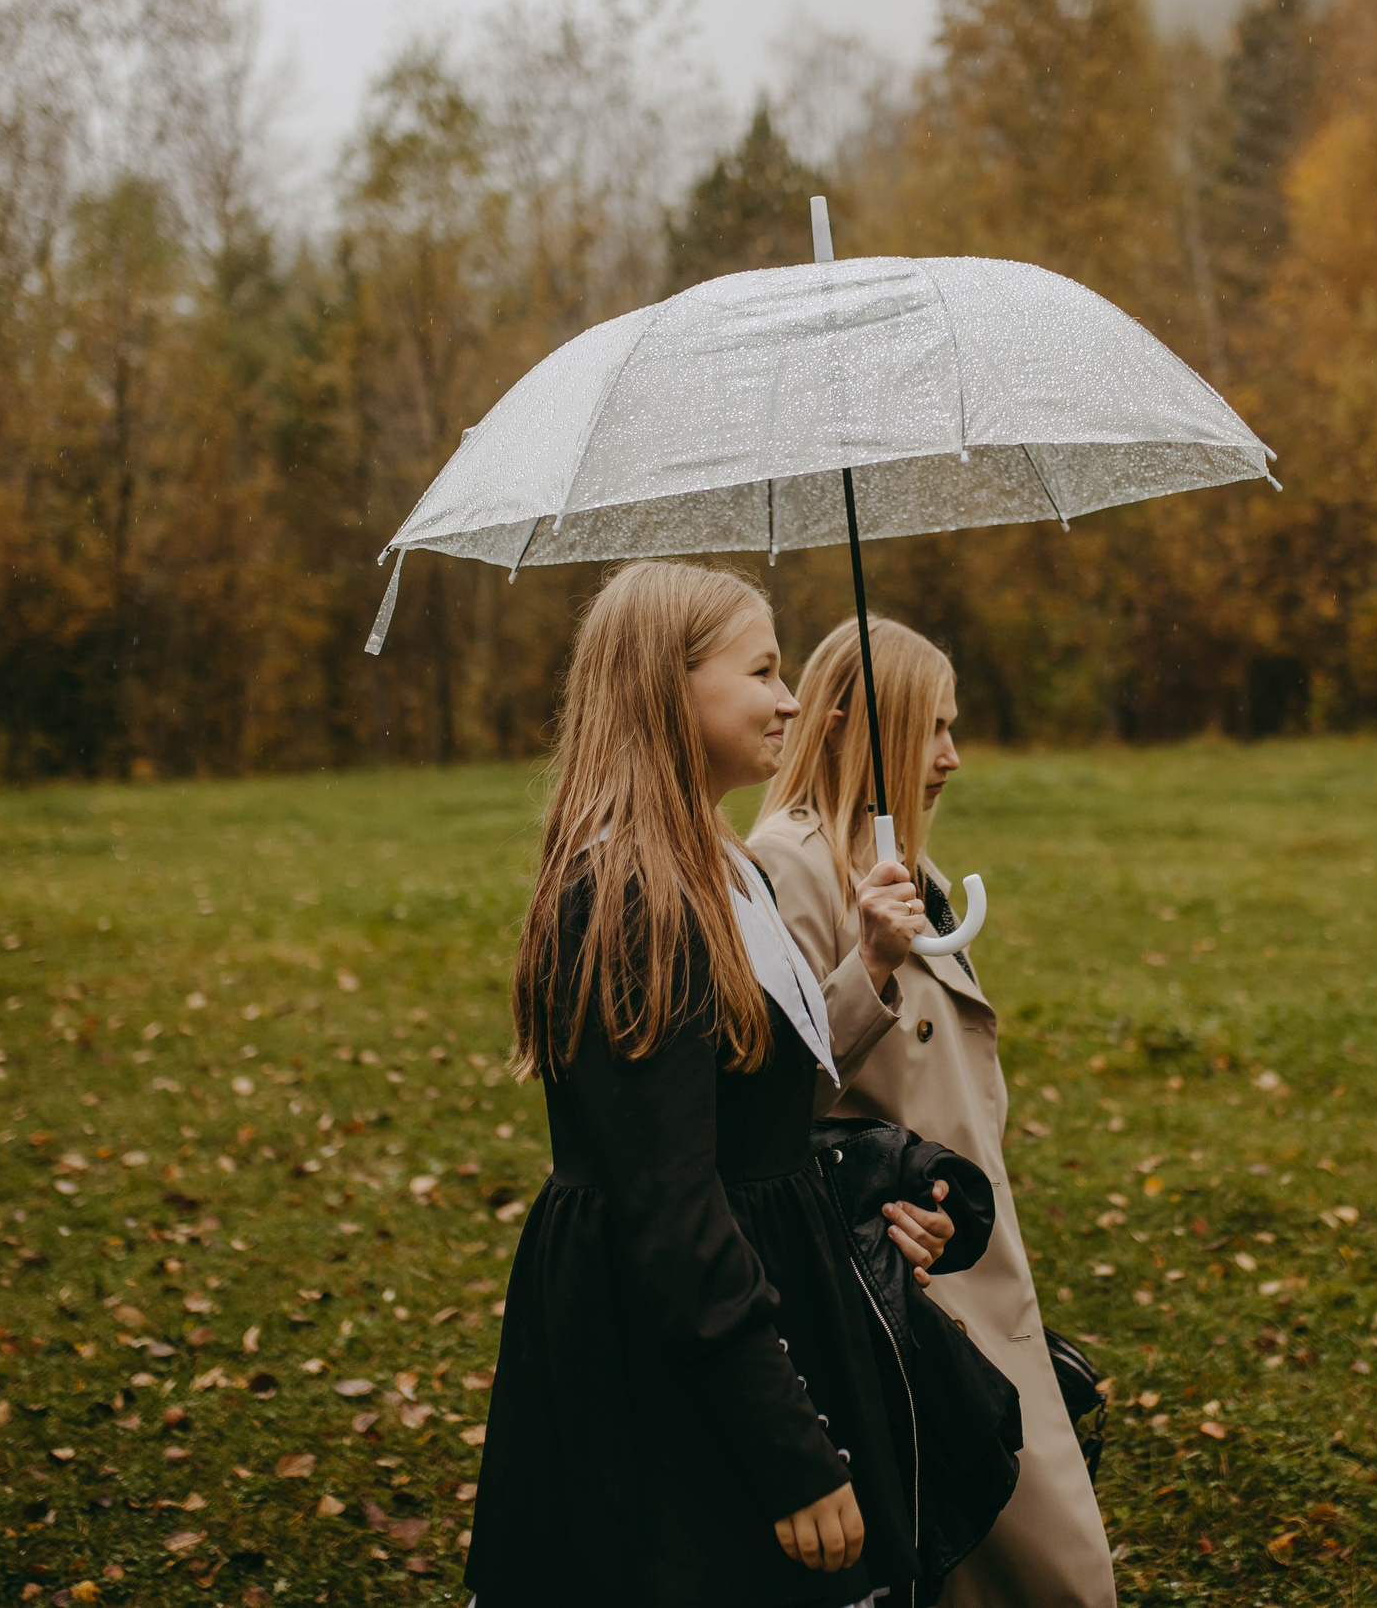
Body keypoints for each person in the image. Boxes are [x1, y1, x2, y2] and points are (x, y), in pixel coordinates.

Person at [465, 561, 971, 1608]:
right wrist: (786, 1449)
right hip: (681, 1355)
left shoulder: (722, 863)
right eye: (762, 671)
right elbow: (671, 1205)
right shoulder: (633, 896)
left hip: (753, 1297)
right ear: (665, 688)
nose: (791, 699)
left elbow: (757, 1107)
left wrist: (863, 1191)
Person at [751, 617, 1119, 1608]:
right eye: (929, 729)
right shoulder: (784, 865)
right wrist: (866, 960)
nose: (953, 756)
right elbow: (765, 1088)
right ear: (843, 727)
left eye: (954, 727)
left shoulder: (912, 867)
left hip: (968, 1251)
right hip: (898, 1277)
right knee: (1017, 1558)